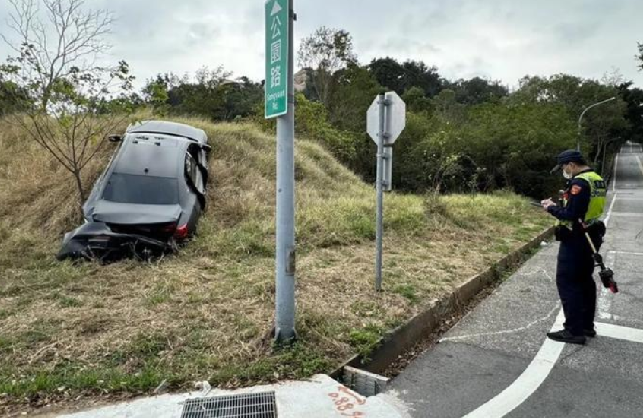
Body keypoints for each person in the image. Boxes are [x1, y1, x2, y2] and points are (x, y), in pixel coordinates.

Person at [540, 150, 607, 345]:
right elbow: (584, 208)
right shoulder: (596, 179)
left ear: (571, 164)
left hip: (577, 238)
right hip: (592, 234)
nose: (564, 171)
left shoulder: (579, 183)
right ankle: (586, 325)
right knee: (585, 281)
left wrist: (550, 207)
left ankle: (573, 330)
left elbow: (571, 214)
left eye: (563, 167)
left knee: (568, 282)